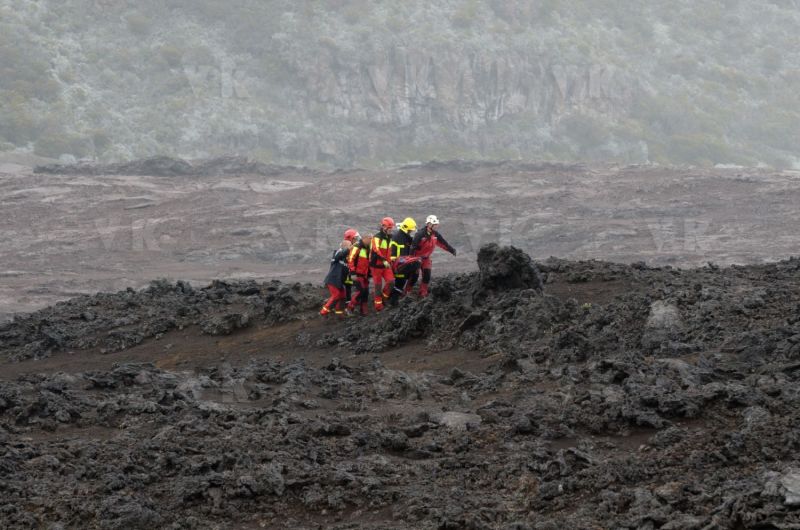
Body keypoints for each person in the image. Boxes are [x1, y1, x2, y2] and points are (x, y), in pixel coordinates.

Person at [409, 214, 456, 297]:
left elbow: (443, 244)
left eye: (436, 224)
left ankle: (423, 293)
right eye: (435, 224)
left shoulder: (435, 235)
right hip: (416, 258)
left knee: (427, 275)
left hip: (426, 258)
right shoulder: (420, 234)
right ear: (429, 224)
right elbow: (412, 247)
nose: (436, 226)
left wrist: (452, 250)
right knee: (414, 277)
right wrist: (411, 260)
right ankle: (407, 291)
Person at [320, 229, 358, 317]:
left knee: (342, 296)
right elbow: (340, 255)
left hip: (339, 282)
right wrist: (349, 248)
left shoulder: (348, 258)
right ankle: (323, 312)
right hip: (333, 280)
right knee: (336, 295)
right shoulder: (337, 253)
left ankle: (339, 313)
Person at [388, 217, 422, 306]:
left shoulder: (406, 237)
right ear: (406, 229)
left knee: (414, 274)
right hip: (398, 265)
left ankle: (402, 295)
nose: (411, 232)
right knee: (400, 283)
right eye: (410, 230)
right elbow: (392, 253)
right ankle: (393, 301)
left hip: (404, 263)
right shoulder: (397, 237)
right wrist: (394, 263)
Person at [369, 217, 395, 312]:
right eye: (389, 228)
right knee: (378, 286)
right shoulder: (377, 238)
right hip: (376, 266)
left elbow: (389, 251)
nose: (391, 230)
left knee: (391, 282)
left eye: (392, 228)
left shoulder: (390, 237)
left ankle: (383, 298)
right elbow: (376, 250)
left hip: (385, 265)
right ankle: (378, 307)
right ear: (384, 227)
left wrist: (389, 260)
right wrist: (384, 260)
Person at [346, 233, 372, 316]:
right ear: (365, 238)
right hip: (357, 274)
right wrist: (353, 273)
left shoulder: (368, 248)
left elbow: (368, 262)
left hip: (365, 275)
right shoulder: (357, 246)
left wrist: (369, 274)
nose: (371, 241)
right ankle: (350, 308)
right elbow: (350, 259)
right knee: (360, 291)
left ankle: (363, 310)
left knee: (366, 292)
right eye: (370, 239)